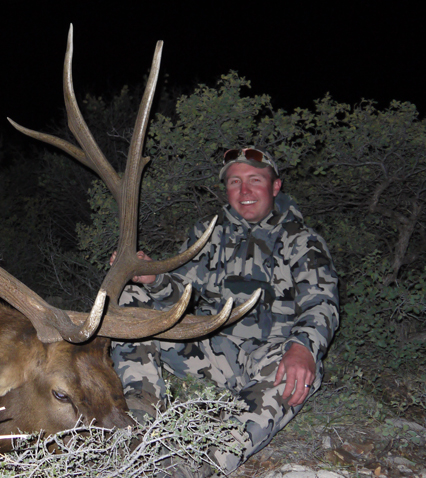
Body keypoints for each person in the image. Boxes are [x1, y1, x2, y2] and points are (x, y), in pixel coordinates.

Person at [112, 147, 339, 474]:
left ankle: (194, 465)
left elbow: (322, 301)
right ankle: (138, 423)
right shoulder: (209, 232)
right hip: (213, 351)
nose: (244, 191)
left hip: (272, 357)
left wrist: (304, 347)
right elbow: (183, 291)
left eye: (255, 180)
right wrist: (155, 277)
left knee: (301, 372)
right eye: (235, 182)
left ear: (275, 186)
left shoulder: (302, 240)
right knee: (133, 295)